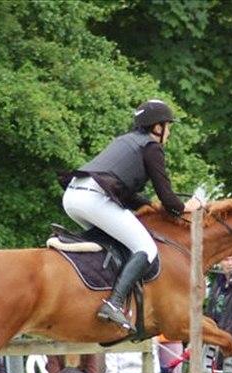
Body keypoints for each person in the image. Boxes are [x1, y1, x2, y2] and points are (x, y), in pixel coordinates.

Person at [60, 99, 198, 333]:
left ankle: (96, 290)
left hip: (73, 197)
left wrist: (150, 205)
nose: (169, 132)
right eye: (168, 126)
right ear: (157, 127)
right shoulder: (152, 148)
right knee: (146, 247)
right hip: (94, 200)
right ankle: (113, 303)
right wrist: (186, 207)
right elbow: (168, 198)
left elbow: (125, 192)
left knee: (115, 244)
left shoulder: (125, 141)